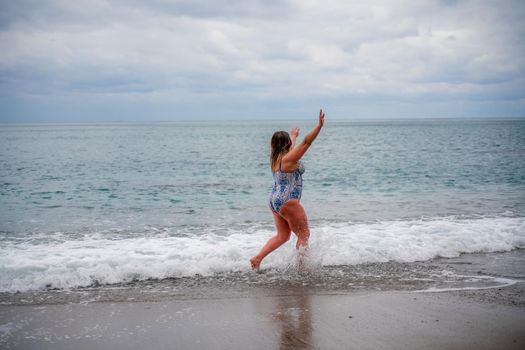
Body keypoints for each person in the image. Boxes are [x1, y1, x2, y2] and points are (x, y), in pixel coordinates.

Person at [250, 109, 325, 271]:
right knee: (304, 235)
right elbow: (306, 143)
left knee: (283, 236)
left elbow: (293, 147)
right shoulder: (289, 159)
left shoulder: (276, 159)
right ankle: (301, 269)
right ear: (286, 145)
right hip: (288, 201)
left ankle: (257, 259)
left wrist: (293, 136)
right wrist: (319, 126)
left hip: (274, 200)